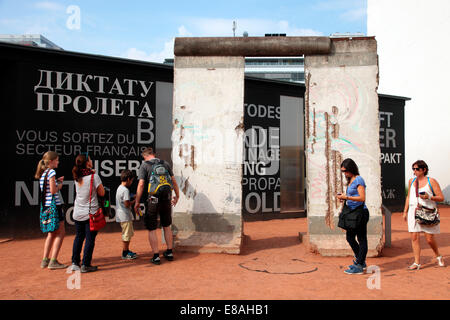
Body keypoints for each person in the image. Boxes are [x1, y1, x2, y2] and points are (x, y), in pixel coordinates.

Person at [134, 147, 180, 265]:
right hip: (166, 198)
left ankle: (156, 256)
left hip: (152, 200)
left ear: (144, 157)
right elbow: (174, 181)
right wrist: (177, 196)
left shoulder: (144, 166)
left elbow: (141, 184)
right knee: (166, 225)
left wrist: (137, 201)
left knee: (152, 228)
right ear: (154, 154)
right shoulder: (165, 163)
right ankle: (169, 252)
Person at [402, 160, 445, 270]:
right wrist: (405, 211)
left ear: (424, 170)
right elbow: (408, 196)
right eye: (413, 169)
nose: (414, 171)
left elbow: (441, 197)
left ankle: (438, 256)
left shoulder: (432, 181)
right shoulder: (411, 181)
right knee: (414, 237)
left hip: (427, 211)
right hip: (413, 210)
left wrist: (429, 197)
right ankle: (417, 262)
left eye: (417, 169)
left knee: (429, 239)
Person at [71, 153, 105, 273]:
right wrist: (94, 174)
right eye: (90, 160)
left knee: (79, 237)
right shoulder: (94, 177)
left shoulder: (77, 176)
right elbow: (102, 193)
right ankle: (86, 264)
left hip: (77, 213)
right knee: (90, 239)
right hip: (90, 214)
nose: (91, 161)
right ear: (87, 163)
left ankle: (75, 262)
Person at [336, 158, 370, 275]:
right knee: (349, 237)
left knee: (361, 239)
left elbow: (362, 198)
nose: (345, 173)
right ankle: (361, 260)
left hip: (360, 213)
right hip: (352, 214)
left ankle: (360, 264)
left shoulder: (359, 179)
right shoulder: (350, 180)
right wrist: (343, 198)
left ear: (351, 169)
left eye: (346, 171)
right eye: (343, 171)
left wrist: (347, 198)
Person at [35, 151, 67, 270]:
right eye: (57, 160)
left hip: (46, 206)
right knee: (60, 232)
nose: (58, 162)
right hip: (55, 207)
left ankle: (45, 260)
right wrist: (60, 183)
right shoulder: (52, 172)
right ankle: (53, 260)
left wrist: (56, 182)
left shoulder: (43, 173)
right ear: (51, 161)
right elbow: (53, 191)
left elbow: (48, 190)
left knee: (51, 233)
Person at [116, 169, 138, 260]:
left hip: (122, 215)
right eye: (132, 180)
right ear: (128, 179)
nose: (132, 182)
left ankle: (127, 251)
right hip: (125, 216)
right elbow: (127, 204)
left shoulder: (120, 188)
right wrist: (135, 201)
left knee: (127, 234)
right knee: (126, 235)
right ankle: (125, 253)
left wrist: (132, 196)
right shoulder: (125, 190)